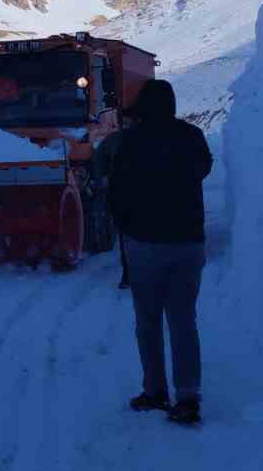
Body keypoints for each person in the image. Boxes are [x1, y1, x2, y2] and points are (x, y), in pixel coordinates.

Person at [108, 79, 212, 426]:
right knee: (183, 321)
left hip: (146, 245)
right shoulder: (192, 137)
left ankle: (155, 391)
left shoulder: (129, 142)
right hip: (189, 244)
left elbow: (115, 191)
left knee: (148, 322)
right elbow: (204, 169)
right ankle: (188, 398)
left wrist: (123, 224)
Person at [89, 114, 133, 289]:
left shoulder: (114, 140)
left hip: (123, 196)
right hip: (131, 196)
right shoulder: (115, 140)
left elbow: (98, 160)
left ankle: (129, 275)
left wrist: (104, 178)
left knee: (128, 237)